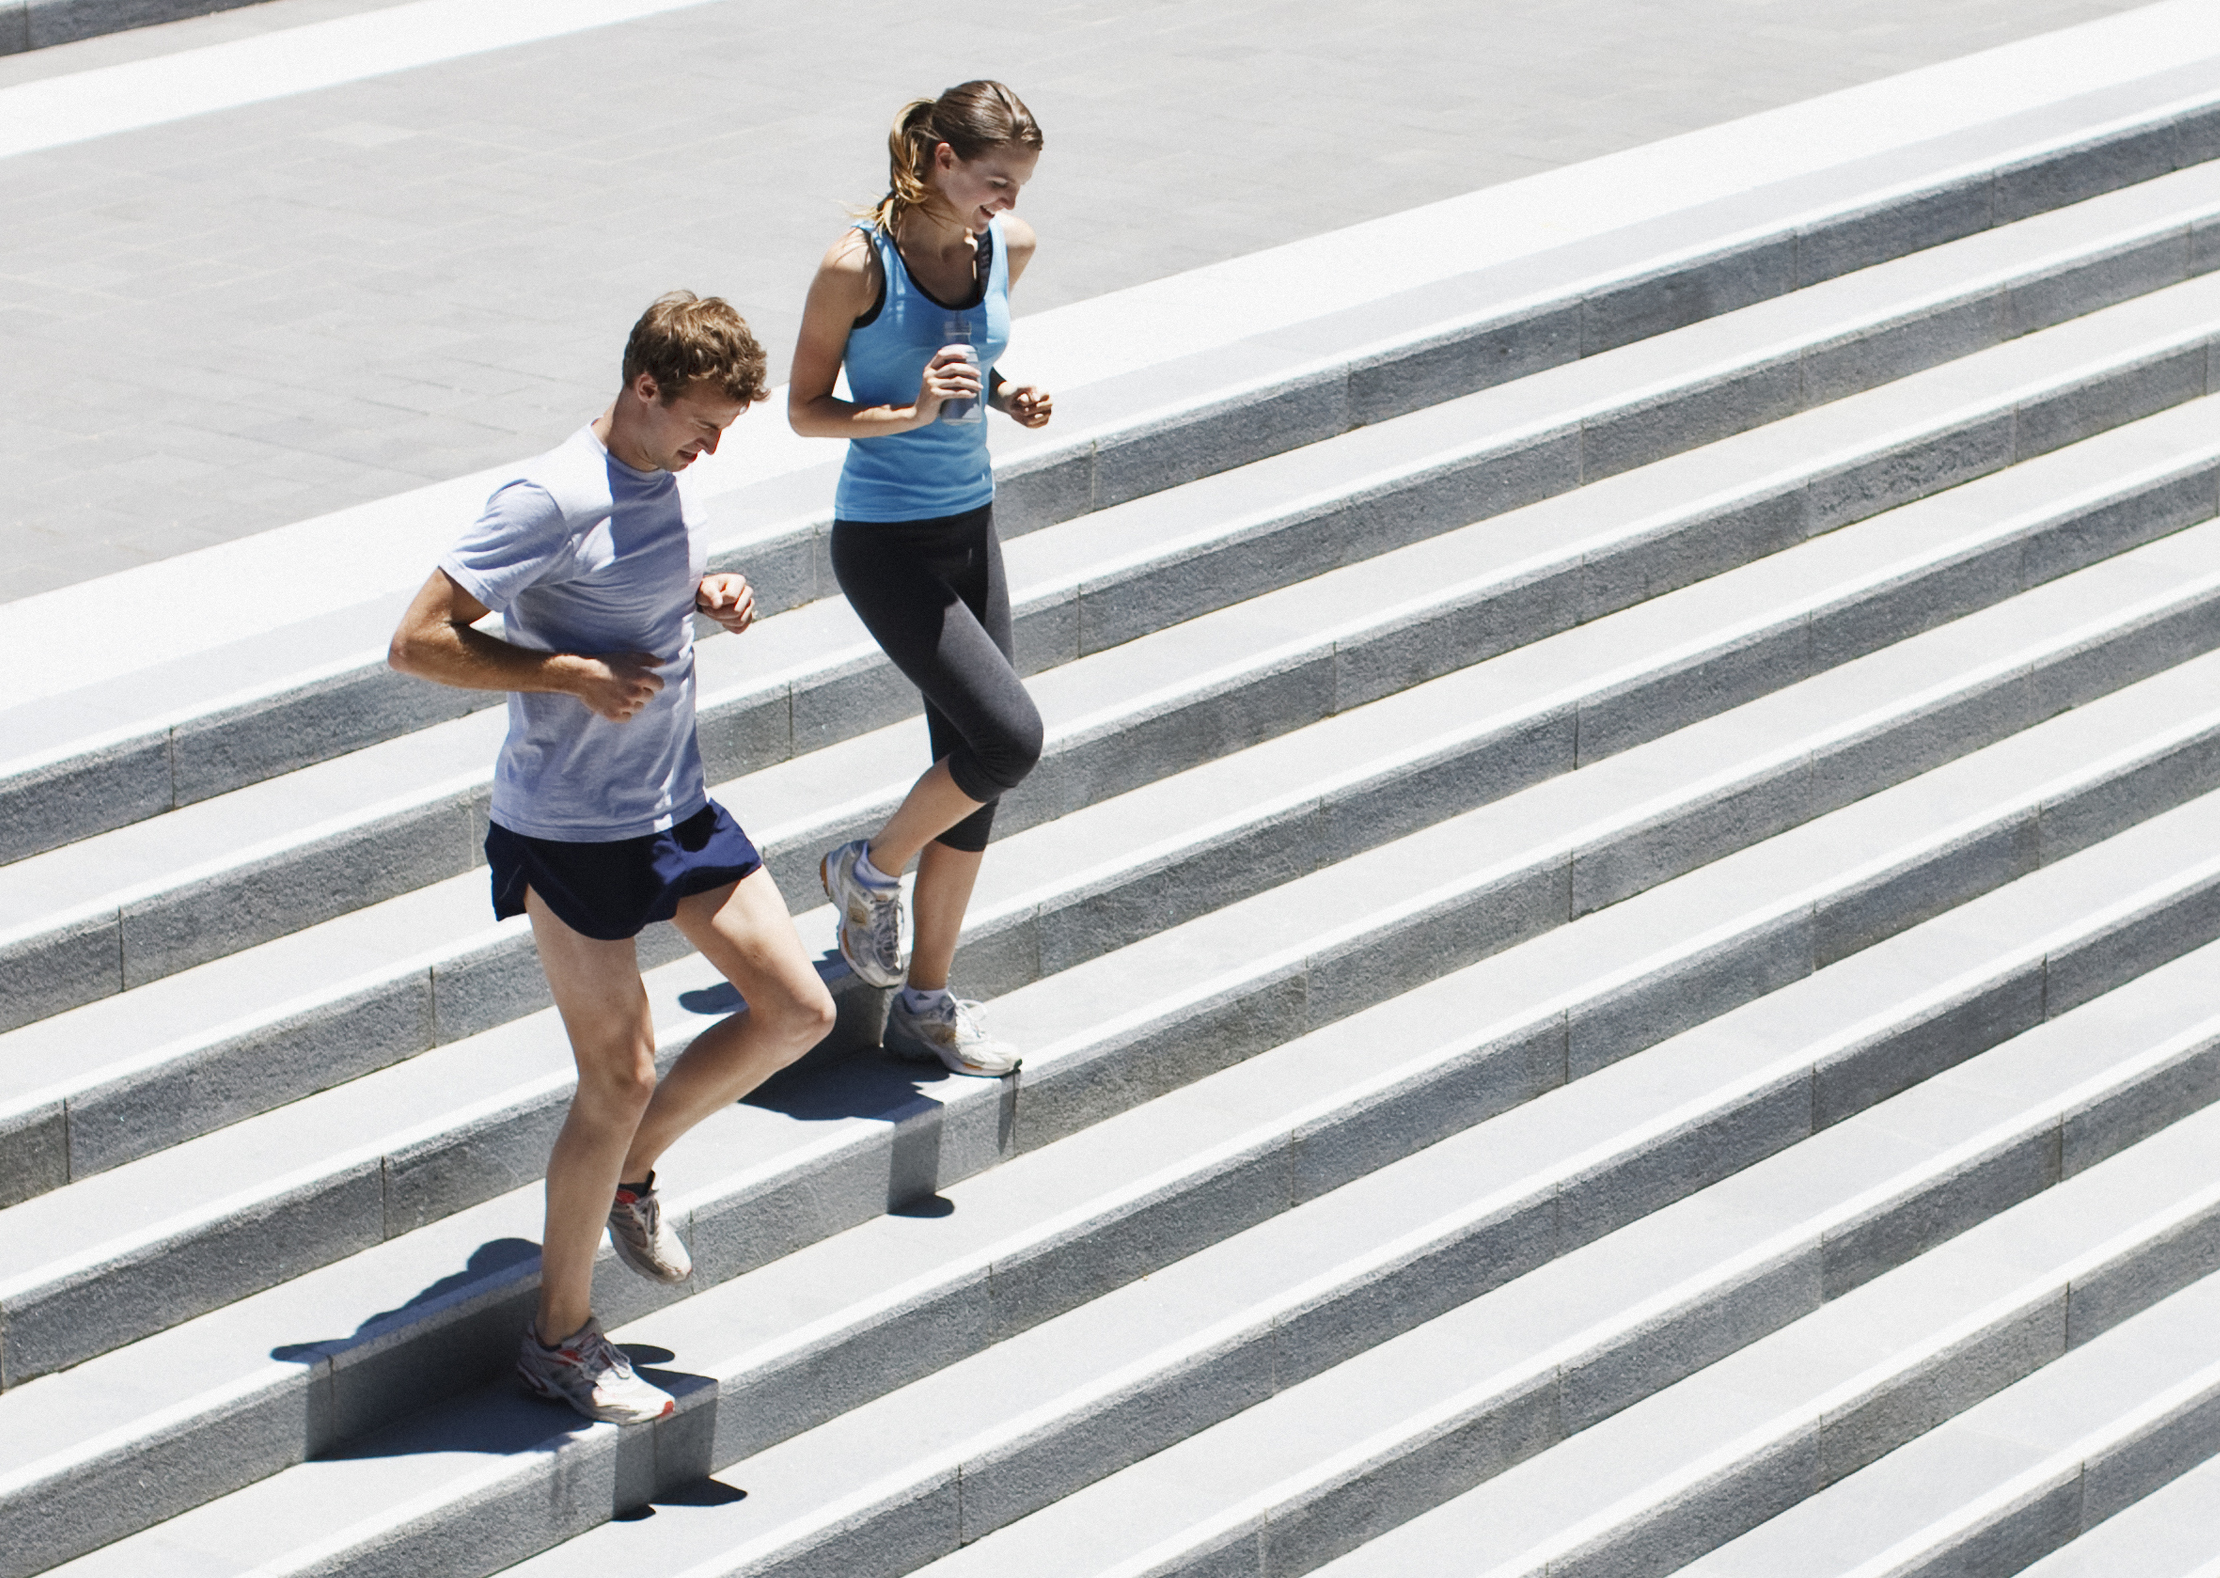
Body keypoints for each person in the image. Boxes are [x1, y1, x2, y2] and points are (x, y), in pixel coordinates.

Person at [388, 292, 837, 1426]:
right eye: (704, 422)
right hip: (569, 826)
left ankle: (630, 1174)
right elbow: (417, 641)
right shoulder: (547, 495)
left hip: (672, 804)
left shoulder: (657, 475)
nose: (714, 446)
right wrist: (565, 677)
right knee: (619, 1073)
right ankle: (558, 1340)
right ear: (645, 388)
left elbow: (618, 583)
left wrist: (701, 593)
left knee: (797, 1010)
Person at [789, 80, 1052, 1078]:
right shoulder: (857, 263)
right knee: (1009, 738)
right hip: (887, 539)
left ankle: (927, 1004)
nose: (1007, 203)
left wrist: (1000, 392)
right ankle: (866, 869)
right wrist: (903, 412)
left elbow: (960, 363)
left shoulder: (1006, 248)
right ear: (940, 160)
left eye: (1018, 185)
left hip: (971, 526)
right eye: (995, 181)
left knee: (975, 780)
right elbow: (808, 408)